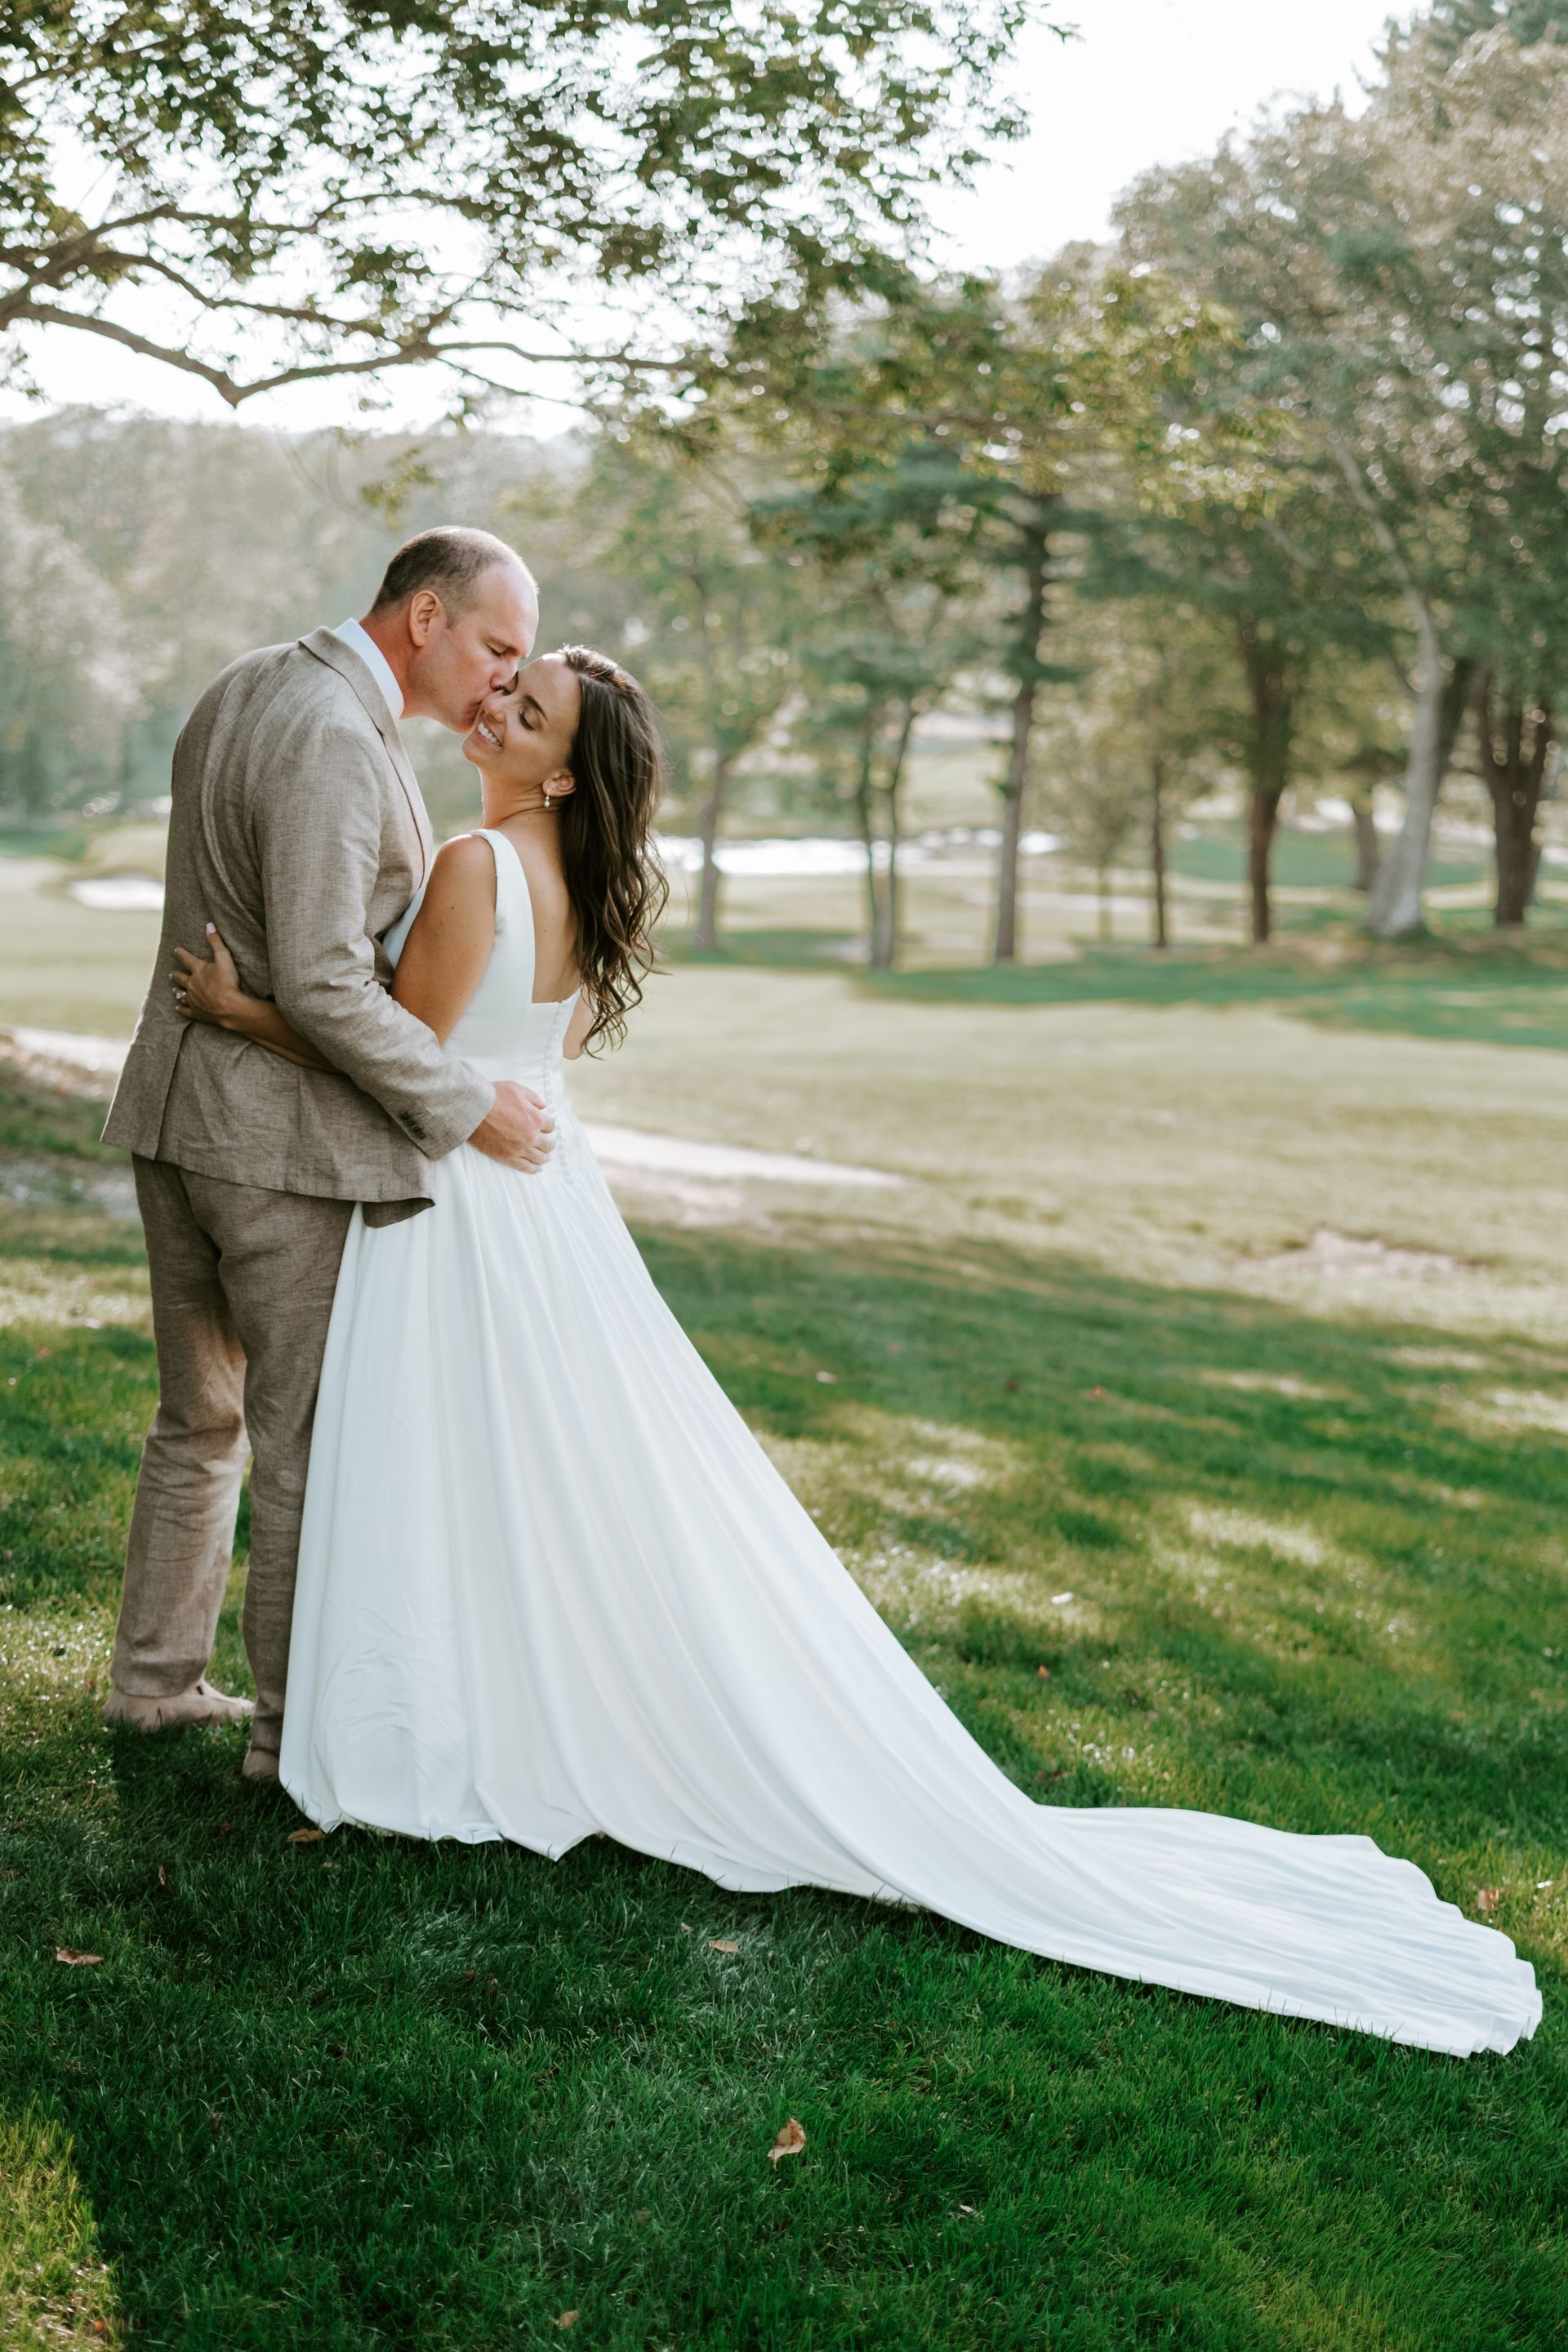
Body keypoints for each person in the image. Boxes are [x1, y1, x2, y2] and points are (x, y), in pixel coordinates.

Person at [172, 646, 1541, 2059]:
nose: (498, 711)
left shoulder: (474, 865)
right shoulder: (579, 879)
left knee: (450, 1461)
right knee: (538, 1469)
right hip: (547, 1198)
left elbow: (399, 1054)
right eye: (508, 692)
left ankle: (440, 1729)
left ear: (565, 768)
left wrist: (246, 1014)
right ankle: (486, 1708)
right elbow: (539, 1048)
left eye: (531, 713)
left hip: (461, 1204)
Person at [101, 528, 554, 1781]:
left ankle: (152, 1686)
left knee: (198, 1419)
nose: (505, 680)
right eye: (496, 647)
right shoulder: (334, 736)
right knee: (300, 1443)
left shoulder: (246, 680)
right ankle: (287, 1734)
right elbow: (323, 979)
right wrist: (467, 1103)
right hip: (272, 1151)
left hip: (177, 1111)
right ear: (424, 618)